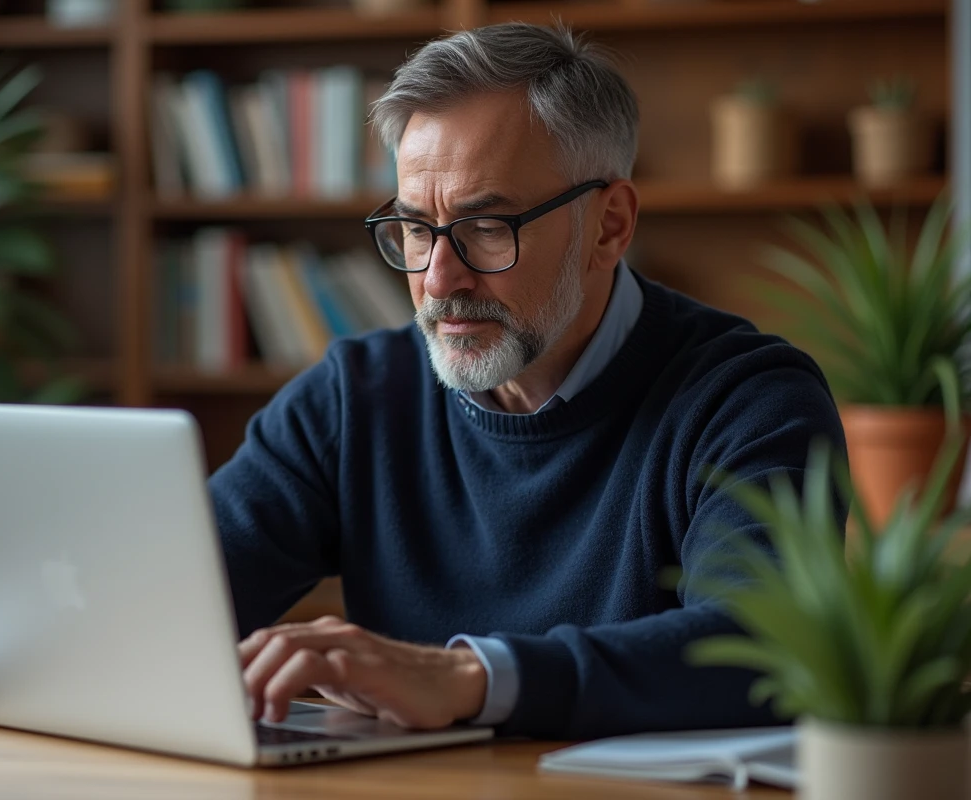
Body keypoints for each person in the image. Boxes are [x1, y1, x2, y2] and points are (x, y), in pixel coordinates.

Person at [209, 22, 846, 740]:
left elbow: (764, 648)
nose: (439, 280)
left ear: (609, 225)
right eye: (417, 230)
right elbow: (177, 596)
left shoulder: (749, 401)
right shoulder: (351, 399)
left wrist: (466, 679)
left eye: (487, 227)